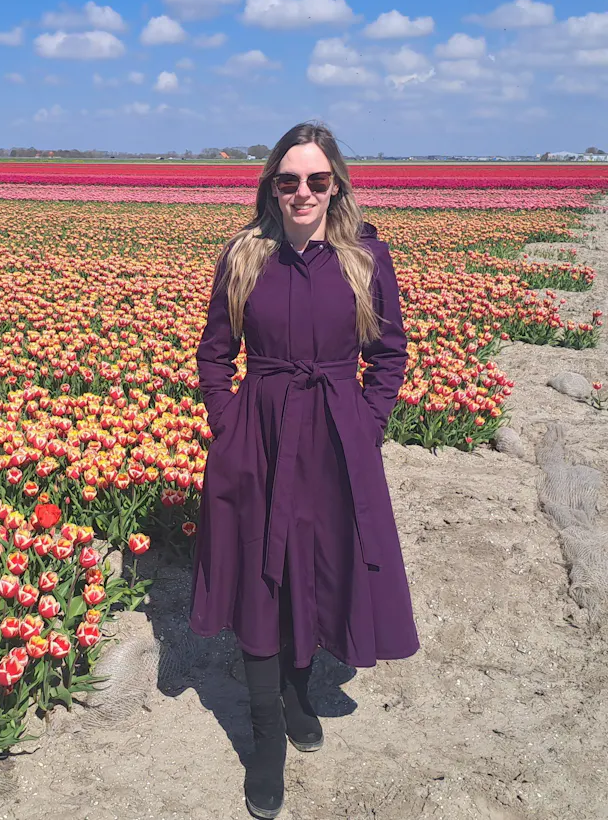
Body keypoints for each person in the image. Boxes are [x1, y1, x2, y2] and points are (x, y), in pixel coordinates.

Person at [189, 121, 419, 818]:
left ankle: (297, 693)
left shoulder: (365, 258)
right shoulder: (244, 256)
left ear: (336, 185)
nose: (303, 193)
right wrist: (229, 425)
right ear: (271, 187)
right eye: (289, 180)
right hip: (258, 434)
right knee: (262, 576)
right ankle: (267, 738)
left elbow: (389, 356)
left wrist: (367, 424)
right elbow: (213, 354)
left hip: (336, 438)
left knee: (313, 568)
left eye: (317, 180)